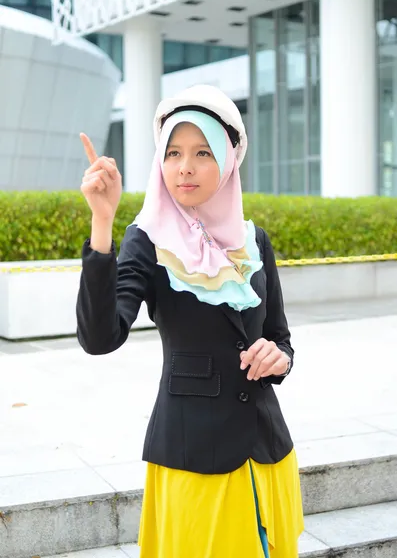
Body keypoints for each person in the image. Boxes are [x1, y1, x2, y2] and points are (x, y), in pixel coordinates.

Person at [76, 84, 304, 558]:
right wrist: (103, 225)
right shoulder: (148, 239)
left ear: (227, 161)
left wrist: (278, 358)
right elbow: (100, 338)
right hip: (193, 459)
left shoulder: (253, 240)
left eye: (202, 152)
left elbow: (280, 338)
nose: (185, 166)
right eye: (174, 152)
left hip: (266, 453)